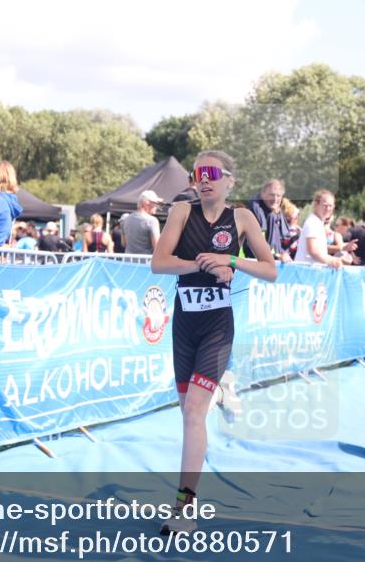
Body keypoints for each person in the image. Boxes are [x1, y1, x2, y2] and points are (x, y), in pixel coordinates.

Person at [151, 150, 277, 535]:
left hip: (218, 327)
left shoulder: (241, 218)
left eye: (212, 173)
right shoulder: (181, 212)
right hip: (184, 324)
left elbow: (270, 270)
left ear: (229, 181)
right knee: (188, 413)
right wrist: (202, 264)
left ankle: (185, 507)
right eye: (198, 174)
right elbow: (159, 262)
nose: (204, 180)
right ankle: (222, 388)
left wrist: (232, 262)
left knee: (193, 412)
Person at [294, 190, 345, 269]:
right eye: (325, 205)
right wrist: (332, 260)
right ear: (316, 204)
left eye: (330, 206)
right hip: (305, 272)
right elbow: (313, 251)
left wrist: (336, 259)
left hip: (310, 271)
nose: (328, 208)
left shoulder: (318, 223)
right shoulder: (312, 223)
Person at [244, 179, 291, 259]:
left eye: (278, 196)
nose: (275, 199)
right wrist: (278, 255)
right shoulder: (252, 213)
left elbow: (279, 244)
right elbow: (254, 244)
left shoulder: (275, 214)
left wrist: (283, 254)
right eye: (272, 195)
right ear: (262, 194)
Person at [123, 190, 163, 254]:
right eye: (155, 203)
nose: (157, 206)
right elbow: (157, 247)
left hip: (128, 261)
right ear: (146, 203)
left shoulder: (126, 219)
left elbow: (124, 243)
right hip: (145, 262)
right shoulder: (152, 221)